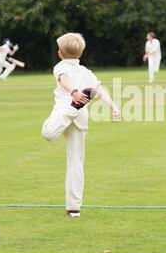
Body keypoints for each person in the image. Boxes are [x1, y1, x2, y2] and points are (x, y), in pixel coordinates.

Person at [41, 33, 120, 218]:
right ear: (81, 53)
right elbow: (100, 91)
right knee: (76, 162)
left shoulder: (59, 66)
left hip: (65, 109)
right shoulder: (86, 72)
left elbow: (64, 80)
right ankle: (73, 209)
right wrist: (114, 107)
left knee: (47, 133)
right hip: (81, 115)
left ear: (60, 53)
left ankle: (71, 110)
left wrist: (74, 93)